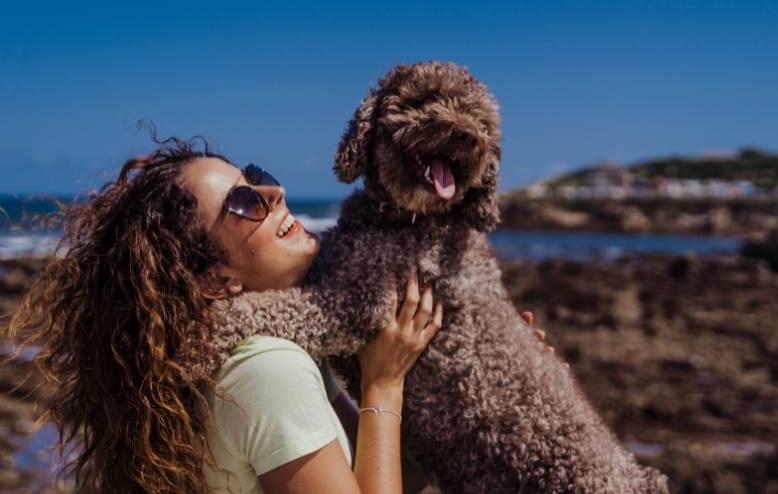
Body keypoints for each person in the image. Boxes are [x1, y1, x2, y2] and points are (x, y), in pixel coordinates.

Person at [11, 136, 549, 494]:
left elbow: (376, 478)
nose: (274, 191)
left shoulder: (225, 357)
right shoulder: (266, 369)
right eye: (245, 204)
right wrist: (383, 386)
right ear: (215, 280)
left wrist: (475, 396)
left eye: (255, 178)